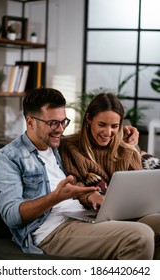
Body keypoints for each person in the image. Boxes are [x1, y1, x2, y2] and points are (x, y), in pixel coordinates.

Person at [0, 87, 156, 260]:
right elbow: (11, 216)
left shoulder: (61, 146)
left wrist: (123, 130)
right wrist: (56, 197)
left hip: (83, 217)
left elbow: (96, 136)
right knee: (139, 235)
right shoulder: (8, 158)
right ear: (30, 122)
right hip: (51, 231)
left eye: (64, 122)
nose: (60, 129)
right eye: (53, 123)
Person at [59, 92, 160, 259]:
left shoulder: (127, 151)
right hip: (96, 218)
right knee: (142, 234)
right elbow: (73, 184)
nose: (108, 132)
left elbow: (140, 188)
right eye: (102, 124)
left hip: (133, 215)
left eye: (114, 126)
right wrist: (91, 196)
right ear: (88, 119)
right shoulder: (69, 147)